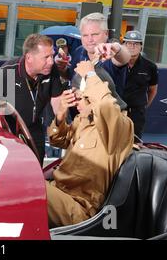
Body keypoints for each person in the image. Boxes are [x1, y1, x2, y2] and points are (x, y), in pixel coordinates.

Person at [45, 60, 134, 228]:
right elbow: (58, 140)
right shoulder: (84, 120)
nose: (76, 103)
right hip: (59, 191)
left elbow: (106, 104)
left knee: (28, 189)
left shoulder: (119, 126)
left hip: (80, 207)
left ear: (92, 97)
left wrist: (90, 74)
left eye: (81, 97)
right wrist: (61, 114)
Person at [0, 33, 64, 165]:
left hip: (34, 129)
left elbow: (57, 102)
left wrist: (62, 126)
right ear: (29, 57)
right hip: (9, 133)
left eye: (52, 56)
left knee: (35, 170)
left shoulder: (52, 70)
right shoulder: (8, 72)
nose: (51, 61)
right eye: (46, 57)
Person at [57, 12, 131, 97]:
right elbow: (70, 76)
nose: (89, 39)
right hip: (77, 109)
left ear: (106, 33)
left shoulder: (110, 53)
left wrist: (117, 48)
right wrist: (62, 68)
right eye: (85, 35)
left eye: (94, 34)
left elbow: (125, 58)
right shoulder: (79, 51)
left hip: (103, 110)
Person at [122, 30, 158, 144]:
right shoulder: (113, 63)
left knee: (135, 145)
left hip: (137, 114)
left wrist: (143, 106)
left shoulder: (150, 66)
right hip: (115, 111)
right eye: (128, 43)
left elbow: (152, 90)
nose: (132, 46)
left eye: (136, 44)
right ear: (123, 45)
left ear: (141, 47)